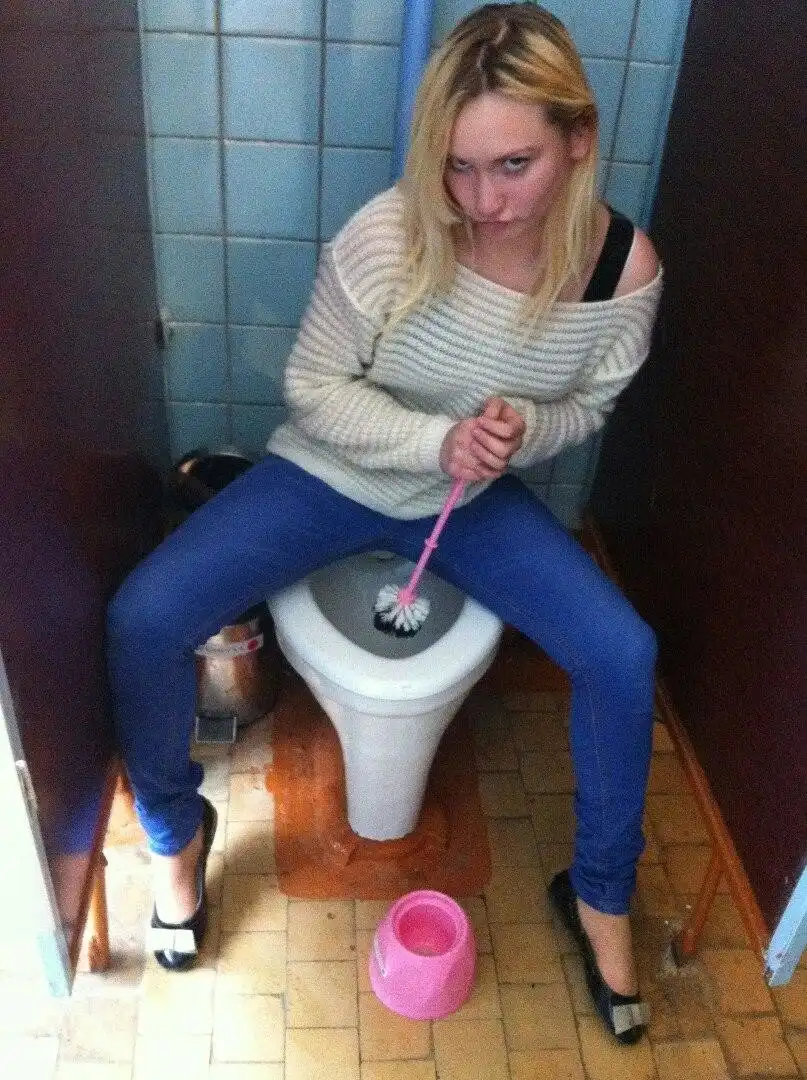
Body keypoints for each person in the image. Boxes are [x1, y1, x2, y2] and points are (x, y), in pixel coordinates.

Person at [107, 2, 662, 1044]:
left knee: (622, 652)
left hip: (468, 505)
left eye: (514, 165)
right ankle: (176, 838)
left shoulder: (619, 272)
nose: (483, 201)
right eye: (458, 167)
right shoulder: (390, 235)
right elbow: (313, 390)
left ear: (579, 139)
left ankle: (599, 896)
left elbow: (589, 403)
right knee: (145, 617)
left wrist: (527, 427)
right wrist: (434, 442)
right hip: (333, 477)